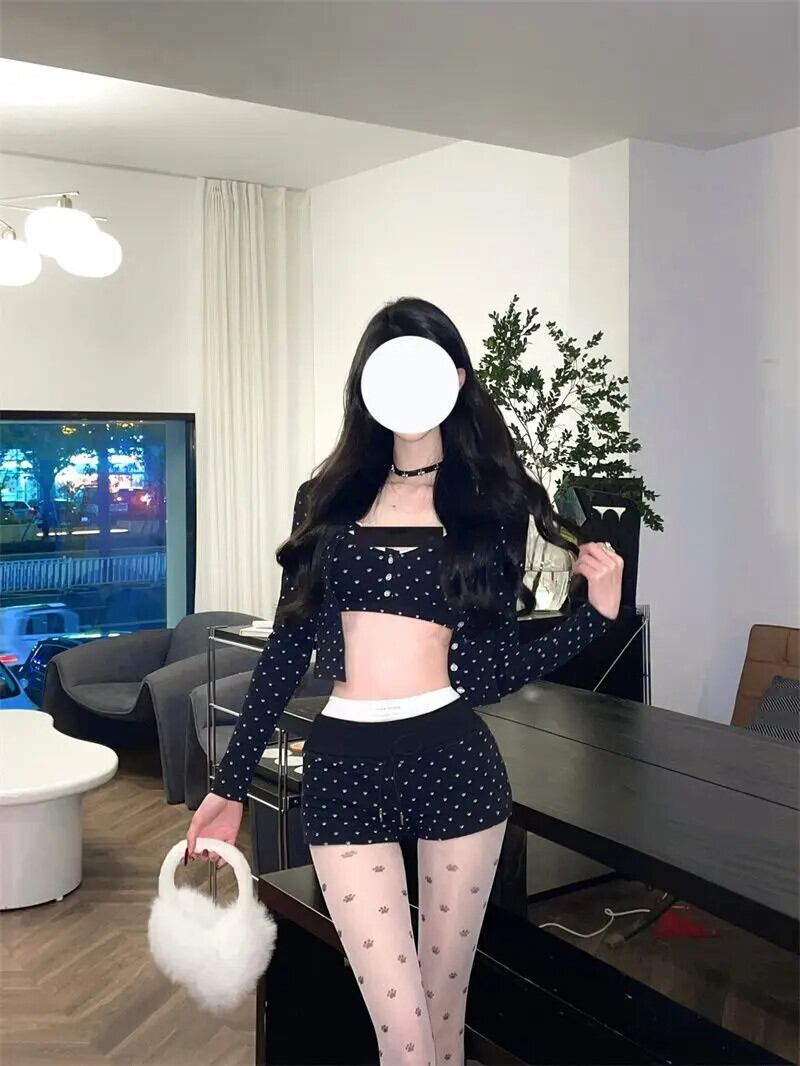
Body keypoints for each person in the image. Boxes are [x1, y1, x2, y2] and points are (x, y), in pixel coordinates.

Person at [187, 297, 623, 1066]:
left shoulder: (489, 505)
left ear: (457, 377)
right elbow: (286, 652)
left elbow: (489, 673)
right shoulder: (327, 500)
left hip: (455, 765)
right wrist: (229, 783)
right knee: (406, 1040)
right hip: (343, 772)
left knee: (443, 1021)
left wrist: (596, 618)